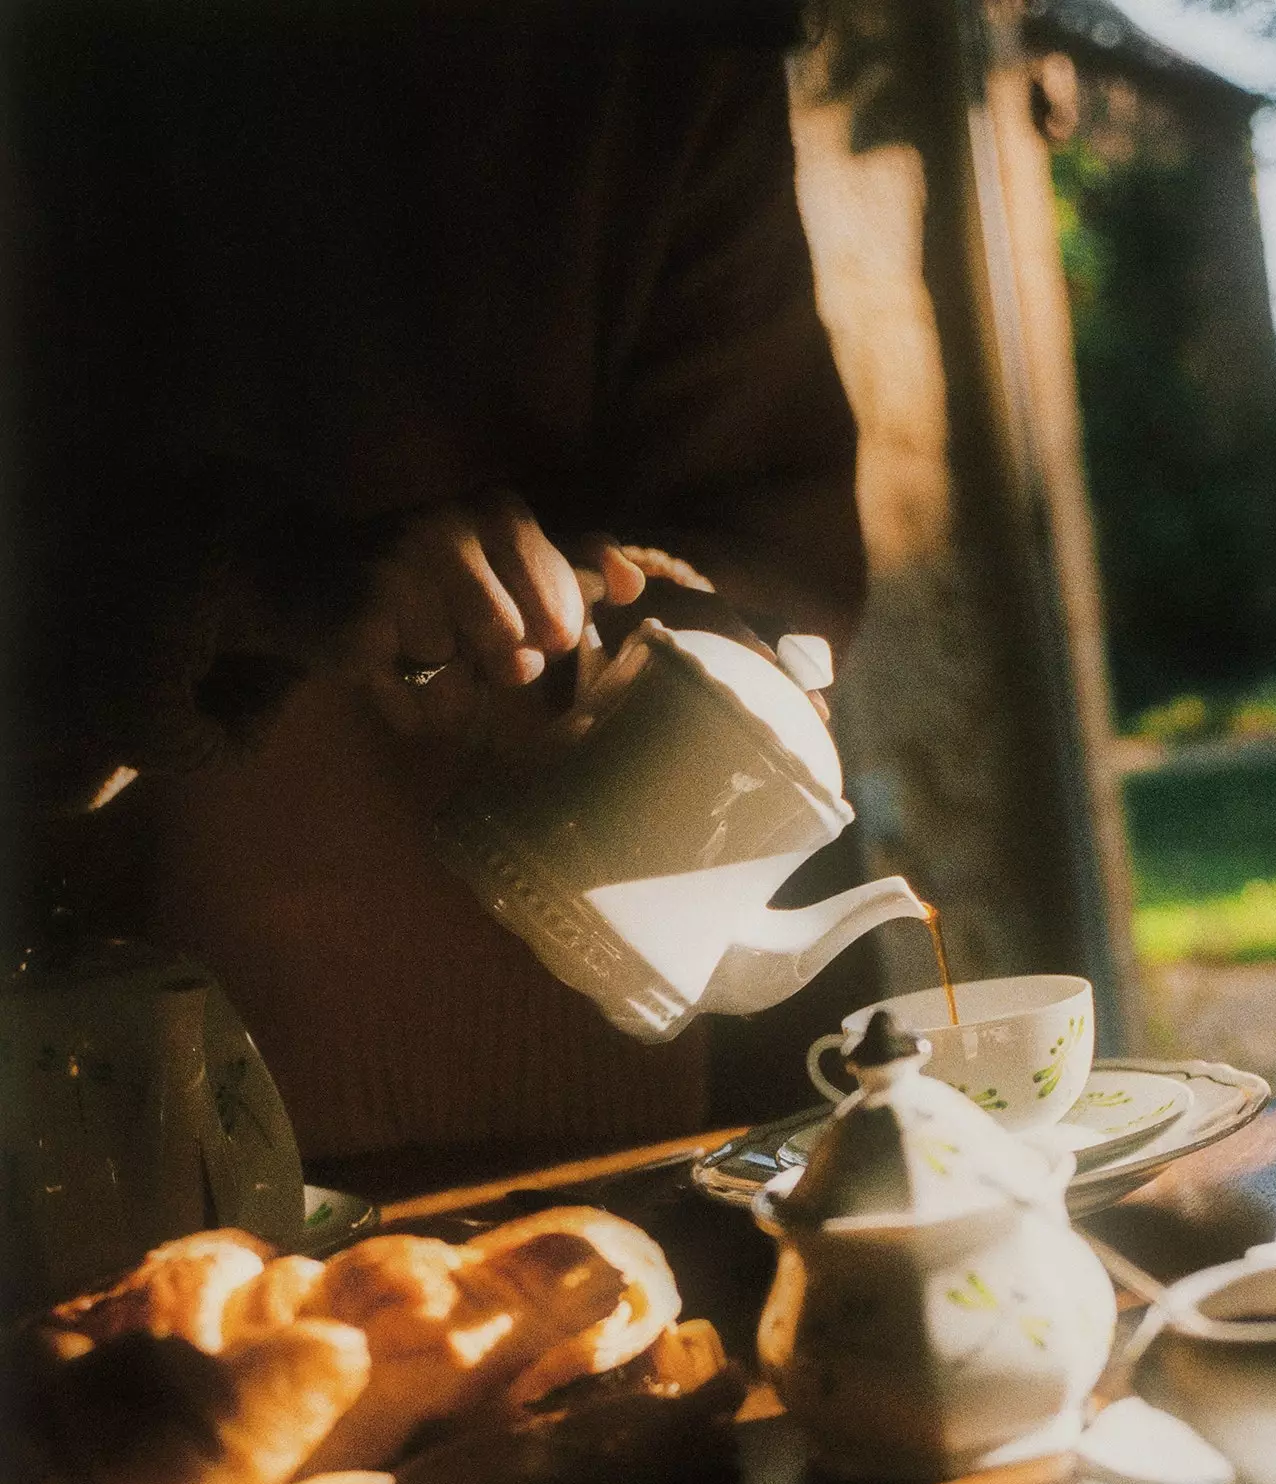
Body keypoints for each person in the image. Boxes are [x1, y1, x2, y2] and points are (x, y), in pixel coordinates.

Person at [7, 0, 867, 1182]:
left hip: (599, 1000)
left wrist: (659, 619)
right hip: (151, 1027)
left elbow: (773, 520)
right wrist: (253, 592)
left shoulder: (666, 53)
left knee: (599, 1319)